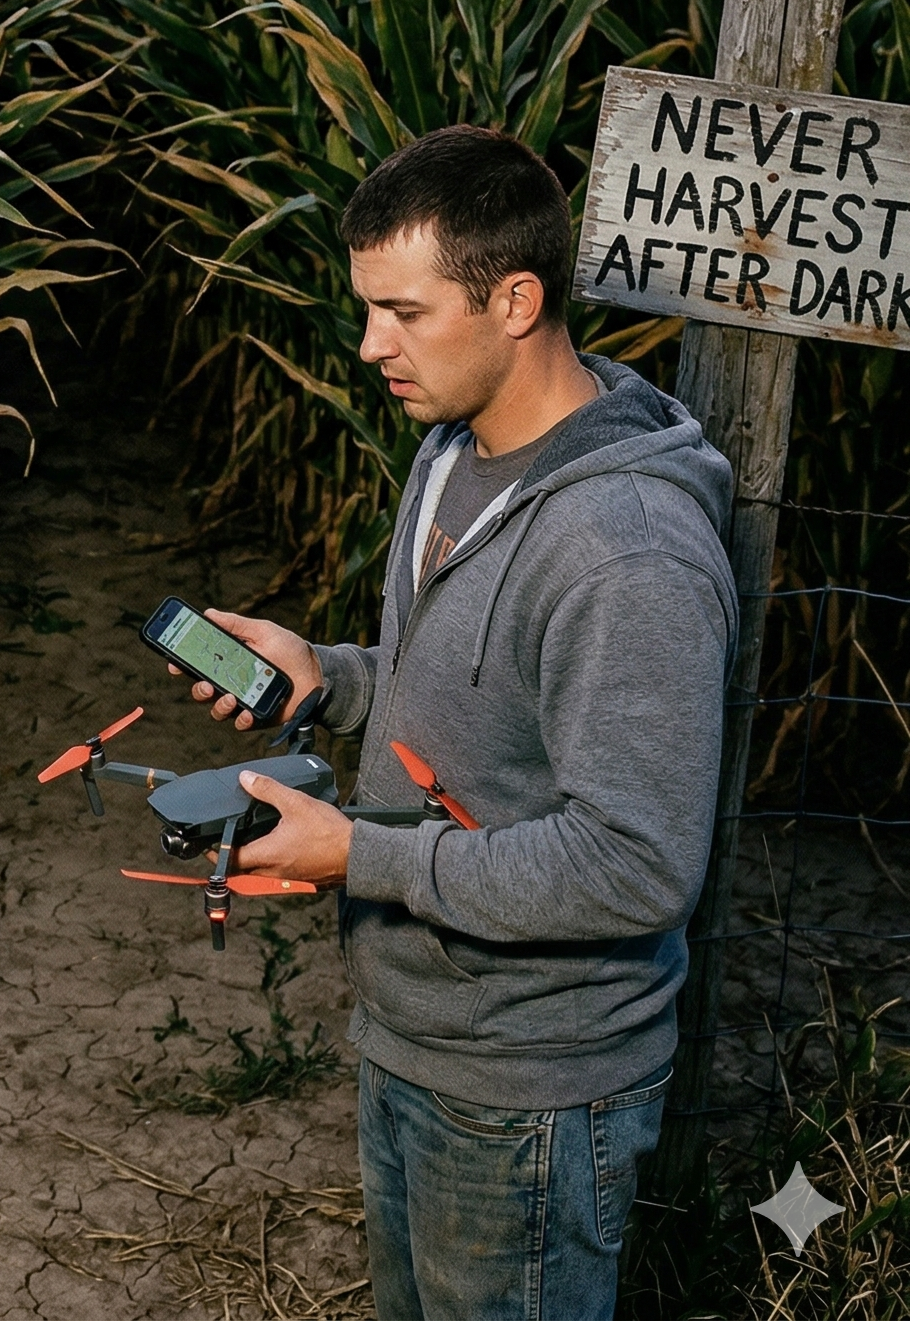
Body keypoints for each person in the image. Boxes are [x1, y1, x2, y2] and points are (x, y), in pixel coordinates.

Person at [178, 125, 735, 1321]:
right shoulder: (450, 450)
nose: (370, 343)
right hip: (413, 1025)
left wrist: (354, 853)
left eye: (404, 311)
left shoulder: (626, 549)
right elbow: (479, 692)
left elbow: (635, 865)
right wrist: (323, 675)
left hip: (528, 1084)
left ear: (515, 298)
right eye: (366, 307)